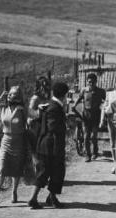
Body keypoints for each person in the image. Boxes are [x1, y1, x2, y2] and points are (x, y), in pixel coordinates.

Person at [0, 85, 31, 204]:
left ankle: (14, 191)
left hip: (19, 141)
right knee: (2, 168)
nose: (9, 95)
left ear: (18, 96)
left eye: (12, 93)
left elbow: (29, 123)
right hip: (6, 140)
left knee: (16, 169)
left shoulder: (22, 109)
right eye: (9, 93)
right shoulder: (2, 107)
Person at [27, 81, 69, 209]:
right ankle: (34, 199)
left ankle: (51, 197)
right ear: (64, 95)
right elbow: (53, 127)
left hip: (45, 145)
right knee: (50, 172)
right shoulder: (55, 107)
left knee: (50, 172)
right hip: (51, 146)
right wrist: (66, 126)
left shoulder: (49, 105)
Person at [72, 72, 106, 161]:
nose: (91, 83)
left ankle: (95, 152)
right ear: (87, 81)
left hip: (96, 115)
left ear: (96, 82)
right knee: (86, 136)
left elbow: (106, 101)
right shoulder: (84, 90)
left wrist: (106, 108)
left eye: (93, 82)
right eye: (89, 82)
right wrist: (74, 105)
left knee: (94, 136)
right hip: (86, 115)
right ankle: (88, 155)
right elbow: (79, 98)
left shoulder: (100, 91)